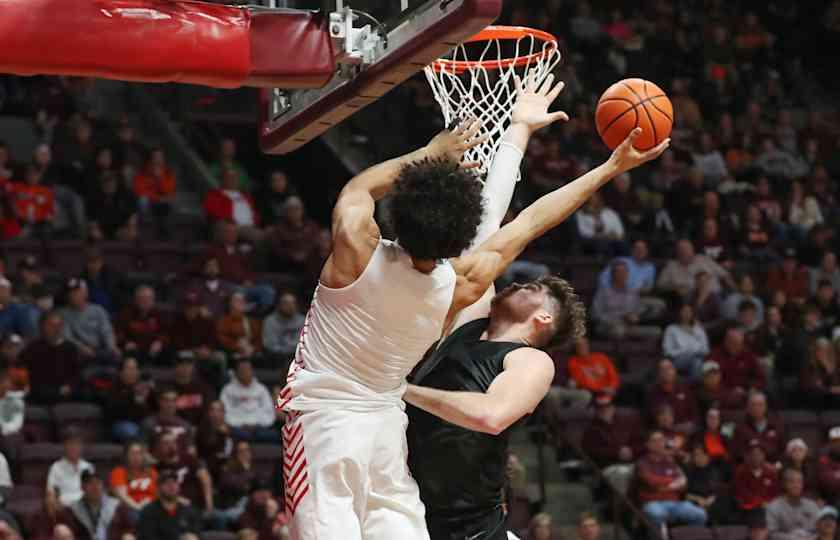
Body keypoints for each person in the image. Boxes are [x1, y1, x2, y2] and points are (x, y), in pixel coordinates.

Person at [279, 71, 669, 540]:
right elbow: (528, 222)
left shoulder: (355, 254)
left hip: (327, 418)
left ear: (400, 212)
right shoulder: (458, 284)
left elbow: (357, 191)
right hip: (385, 426)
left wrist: (430, 154)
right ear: (460, 239)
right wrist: (608, 168)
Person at [635, 430, 707, 528]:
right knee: (657, 514)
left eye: (661, 440)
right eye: (655, 441)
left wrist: (664, 487)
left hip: (675, 503)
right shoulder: (642, 463)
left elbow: (683, 484)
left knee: (700, 514)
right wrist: (672, 483)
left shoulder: (671, 462)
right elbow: (652, 482)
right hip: (653, 503)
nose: (659, 443)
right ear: (648, 445)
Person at [20, 310, 83, 404]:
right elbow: (26, 373)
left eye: (59, 325)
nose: (56, 329)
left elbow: (77, 374)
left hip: (66, 391)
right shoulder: (33, 348)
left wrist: (69, 387)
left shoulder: (70, 348)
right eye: (51, 325)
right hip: (40, 391)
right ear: (42, 327)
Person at [581, 392, 638, 495]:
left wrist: (632, 450)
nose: (604, 410)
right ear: (595, 410)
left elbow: (640, 441)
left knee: (645, 470)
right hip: (608, 466)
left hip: (632, 463)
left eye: (607, 407)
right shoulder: (591, 430)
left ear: (613, 407)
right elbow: (591, 452)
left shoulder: (625, 422)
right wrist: (616, 452)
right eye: (600, 408)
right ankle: (620, 508)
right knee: (622, 474)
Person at [591, 260, 662, 340]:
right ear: (613, 274)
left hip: (629, 326)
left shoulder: (631, 292)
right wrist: (619, 318)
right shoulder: (603, 292)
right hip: (609, 326)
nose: (623, 275)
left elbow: (637, 310)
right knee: (618, 331)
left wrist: (636, 316)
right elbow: (595, 314)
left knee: (656, 331)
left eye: (625, 272)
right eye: (620, 272)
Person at [60, 278, 120, 366]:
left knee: (117, 356)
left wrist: (112, 347)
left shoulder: (98, 310)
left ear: (86, 293)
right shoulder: (63, 314)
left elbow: (107, 331)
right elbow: (67, 337)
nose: (73, 296)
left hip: (101, 349)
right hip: (79, 352)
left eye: (77, 292)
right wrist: (82, 348)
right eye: (71, 293)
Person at [220, 357, 277, 443]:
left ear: (252, 371)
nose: (244, 372)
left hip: (259, 428)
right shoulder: (228, 390)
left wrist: (255, 425)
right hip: (237, 427)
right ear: (236, 372)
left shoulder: (261, 389)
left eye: (247, 369)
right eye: (242, 369)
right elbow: (224, 411)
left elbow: (269, 411)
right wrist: (240, 424)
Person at [135, 470, 201, 540]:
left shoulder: (189, 511)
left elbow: (197, 533)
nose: (171, 485)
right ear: (158, 488)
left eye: (174, 482)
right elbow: (147, 537)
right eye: (166, 483)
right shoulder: (148, 512)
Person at [734, 440, 781, 530]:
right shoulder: (741, 471)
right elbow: (741, 493)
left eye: (759, 454)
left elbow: (775, 492)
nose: (756, 457)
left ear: (764, 455)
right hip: (748, 508)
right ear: (747, 456)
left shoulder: (771, 472)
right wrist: (759, 503)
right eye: (752, 454)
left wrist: (768, 503)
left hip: (768, 507)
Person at [115, 285, 168, 365]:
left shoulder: (159, 315)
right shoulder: (126, 314)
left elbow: (165, 332)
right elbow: (118, 332)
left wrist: (159, 342)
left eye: (148, 298)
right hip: (133, 350)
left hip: (153, 350)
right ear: (136, 300)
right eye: (142, 298)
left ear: (153, 300)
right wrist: (126, 342)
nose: (145, 301)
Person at [63, 470, 121, 540]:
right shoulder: (72, 510)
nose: (95, 487)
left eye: (98, 483)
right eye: (90, 483)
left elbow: (127, 529)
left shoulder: (116, 506)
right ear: (82, 487)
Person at [46, 428, 94, 512]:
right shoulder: (56, 468)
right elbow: (51, 493)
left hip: (87, 510)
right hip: (66, 510)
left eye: (78, 444)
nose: (74, 447)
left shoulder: (88, 467)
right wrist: (54, 503)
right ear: (64, 446)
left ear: (82, 446)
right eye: (71, 444)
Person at [646, 358, 699, 433]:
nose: (666, 372)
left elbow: (694, 415)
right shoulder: (653, 393)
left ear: (674, 370)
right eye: (663, 369)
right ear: (658, 373)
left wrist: (688, 427)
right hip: (663, 435)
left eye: (669, 368)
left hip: (685, 432)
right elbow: (653, 420)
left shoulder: (685, 388)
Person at [107, 357, 152, 443]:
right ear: (121, 372)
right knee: (130, 430)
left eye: (135, 369)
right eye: (129, 368)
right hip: (120, 424)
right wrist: (132, 395)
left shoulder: (143, 387)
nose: (132, 372)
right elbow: (112, 412)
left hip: (141, 423)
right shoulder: (114, 387)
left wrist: (146, 397)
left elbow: (150, 411)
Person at [765, 468, 820, 540]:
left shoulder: (812, 505)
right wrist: (794, 538)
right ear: (783, 484)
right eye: (791, 482)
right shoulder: (773, 507)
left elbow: (820, 530)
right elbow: (771, 534)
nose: (796, 485)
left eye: (799, 481)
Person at [732, 392, 786, 463]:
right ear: (748, 407)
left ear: (766, 406)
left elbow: (783, 449)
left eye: (760, 405)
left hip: (773, 466)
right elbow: (737, 452)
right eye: (753, 405)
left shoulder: (777, 425)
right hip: (748, 467)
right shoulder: (740, 428)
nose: (756, 408)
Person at [109, 442, 157, 521]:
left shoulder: (152, 473)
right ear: (126, 456)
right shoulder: (119, 472)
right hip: (130, 509)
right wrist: (137, 507)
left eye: (139, 453)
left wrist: (149, 504)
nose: (136, 457)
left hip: (151, 508)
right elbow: (122, 496)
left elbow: (158, 494)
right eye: (132, 453)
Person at [663, 303, 710, 380]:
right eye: (684, 311)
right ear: (679, 313)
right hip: (677, 360)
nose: (686, 314)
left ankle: (691, 386)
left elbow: (706, 350)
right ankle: (694, 387)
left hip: (698, 357)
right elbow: (667, 351)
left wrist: (695, 333)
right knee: (697, 361)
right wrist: (686, 352)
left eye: (689, 312)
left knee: (697, 362)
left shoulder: (698, 329)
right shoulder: (671, 329)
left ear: (692, 314)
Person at [262, 292, 305, 369]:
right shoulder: (270, 320)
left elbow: (302, 342)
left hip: (297, 356)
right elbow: (270, 343)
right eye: (286, 303)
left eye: (293, 303)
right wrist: (284, 351)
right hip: (275, 358)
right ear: (279, 305)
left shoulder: (302, 320)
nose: (290, 306)